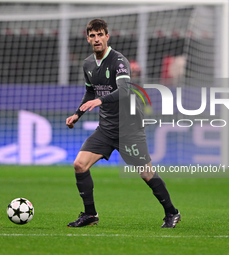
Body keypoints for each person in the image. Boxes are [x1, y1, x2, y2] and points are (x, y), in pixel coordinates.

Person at [65, 19, 180, 228]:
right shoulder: (88, 64)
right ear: (88, 38)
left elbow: (125, 90)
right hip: (106, 128)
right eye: (92, 35)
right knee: (79, 165)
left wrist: (100, 100)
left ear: (107, 36)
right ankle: (90, 215)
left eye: (100, 35)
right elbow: (90, 92)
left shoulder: (119, 61)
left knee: (146, 173)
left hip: (129, 128)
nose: (96, 39)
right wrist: (77, 114)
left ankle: (172, 212)